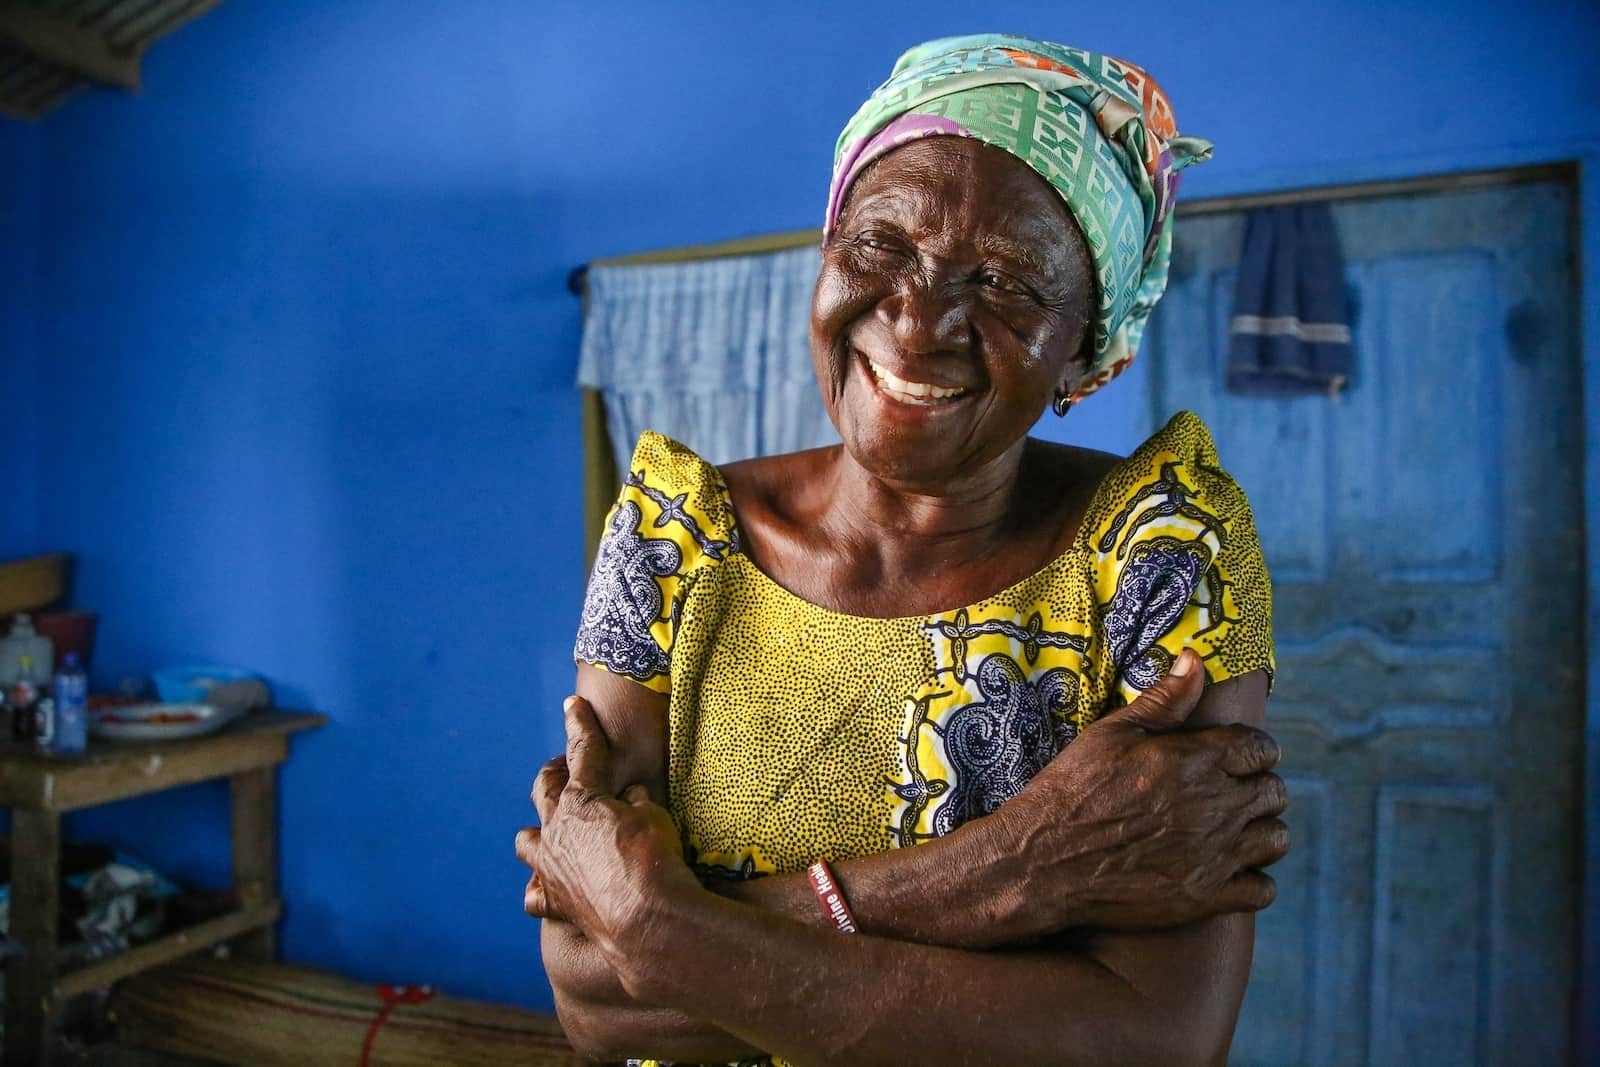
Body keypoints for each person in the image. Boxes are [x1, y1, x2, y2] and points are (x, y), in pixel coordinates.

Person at [517, 34, 1287, 1067]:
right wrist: (1006, 868)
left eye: (1009, 280)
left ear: (1088, 352)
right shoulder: (671, 537)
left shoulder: (1157, 554)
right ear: (827, 254)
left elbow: (1153, 1037)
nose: (919, 319)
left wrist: (664, 928)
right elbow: (597, 1001)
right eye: (881, 244)